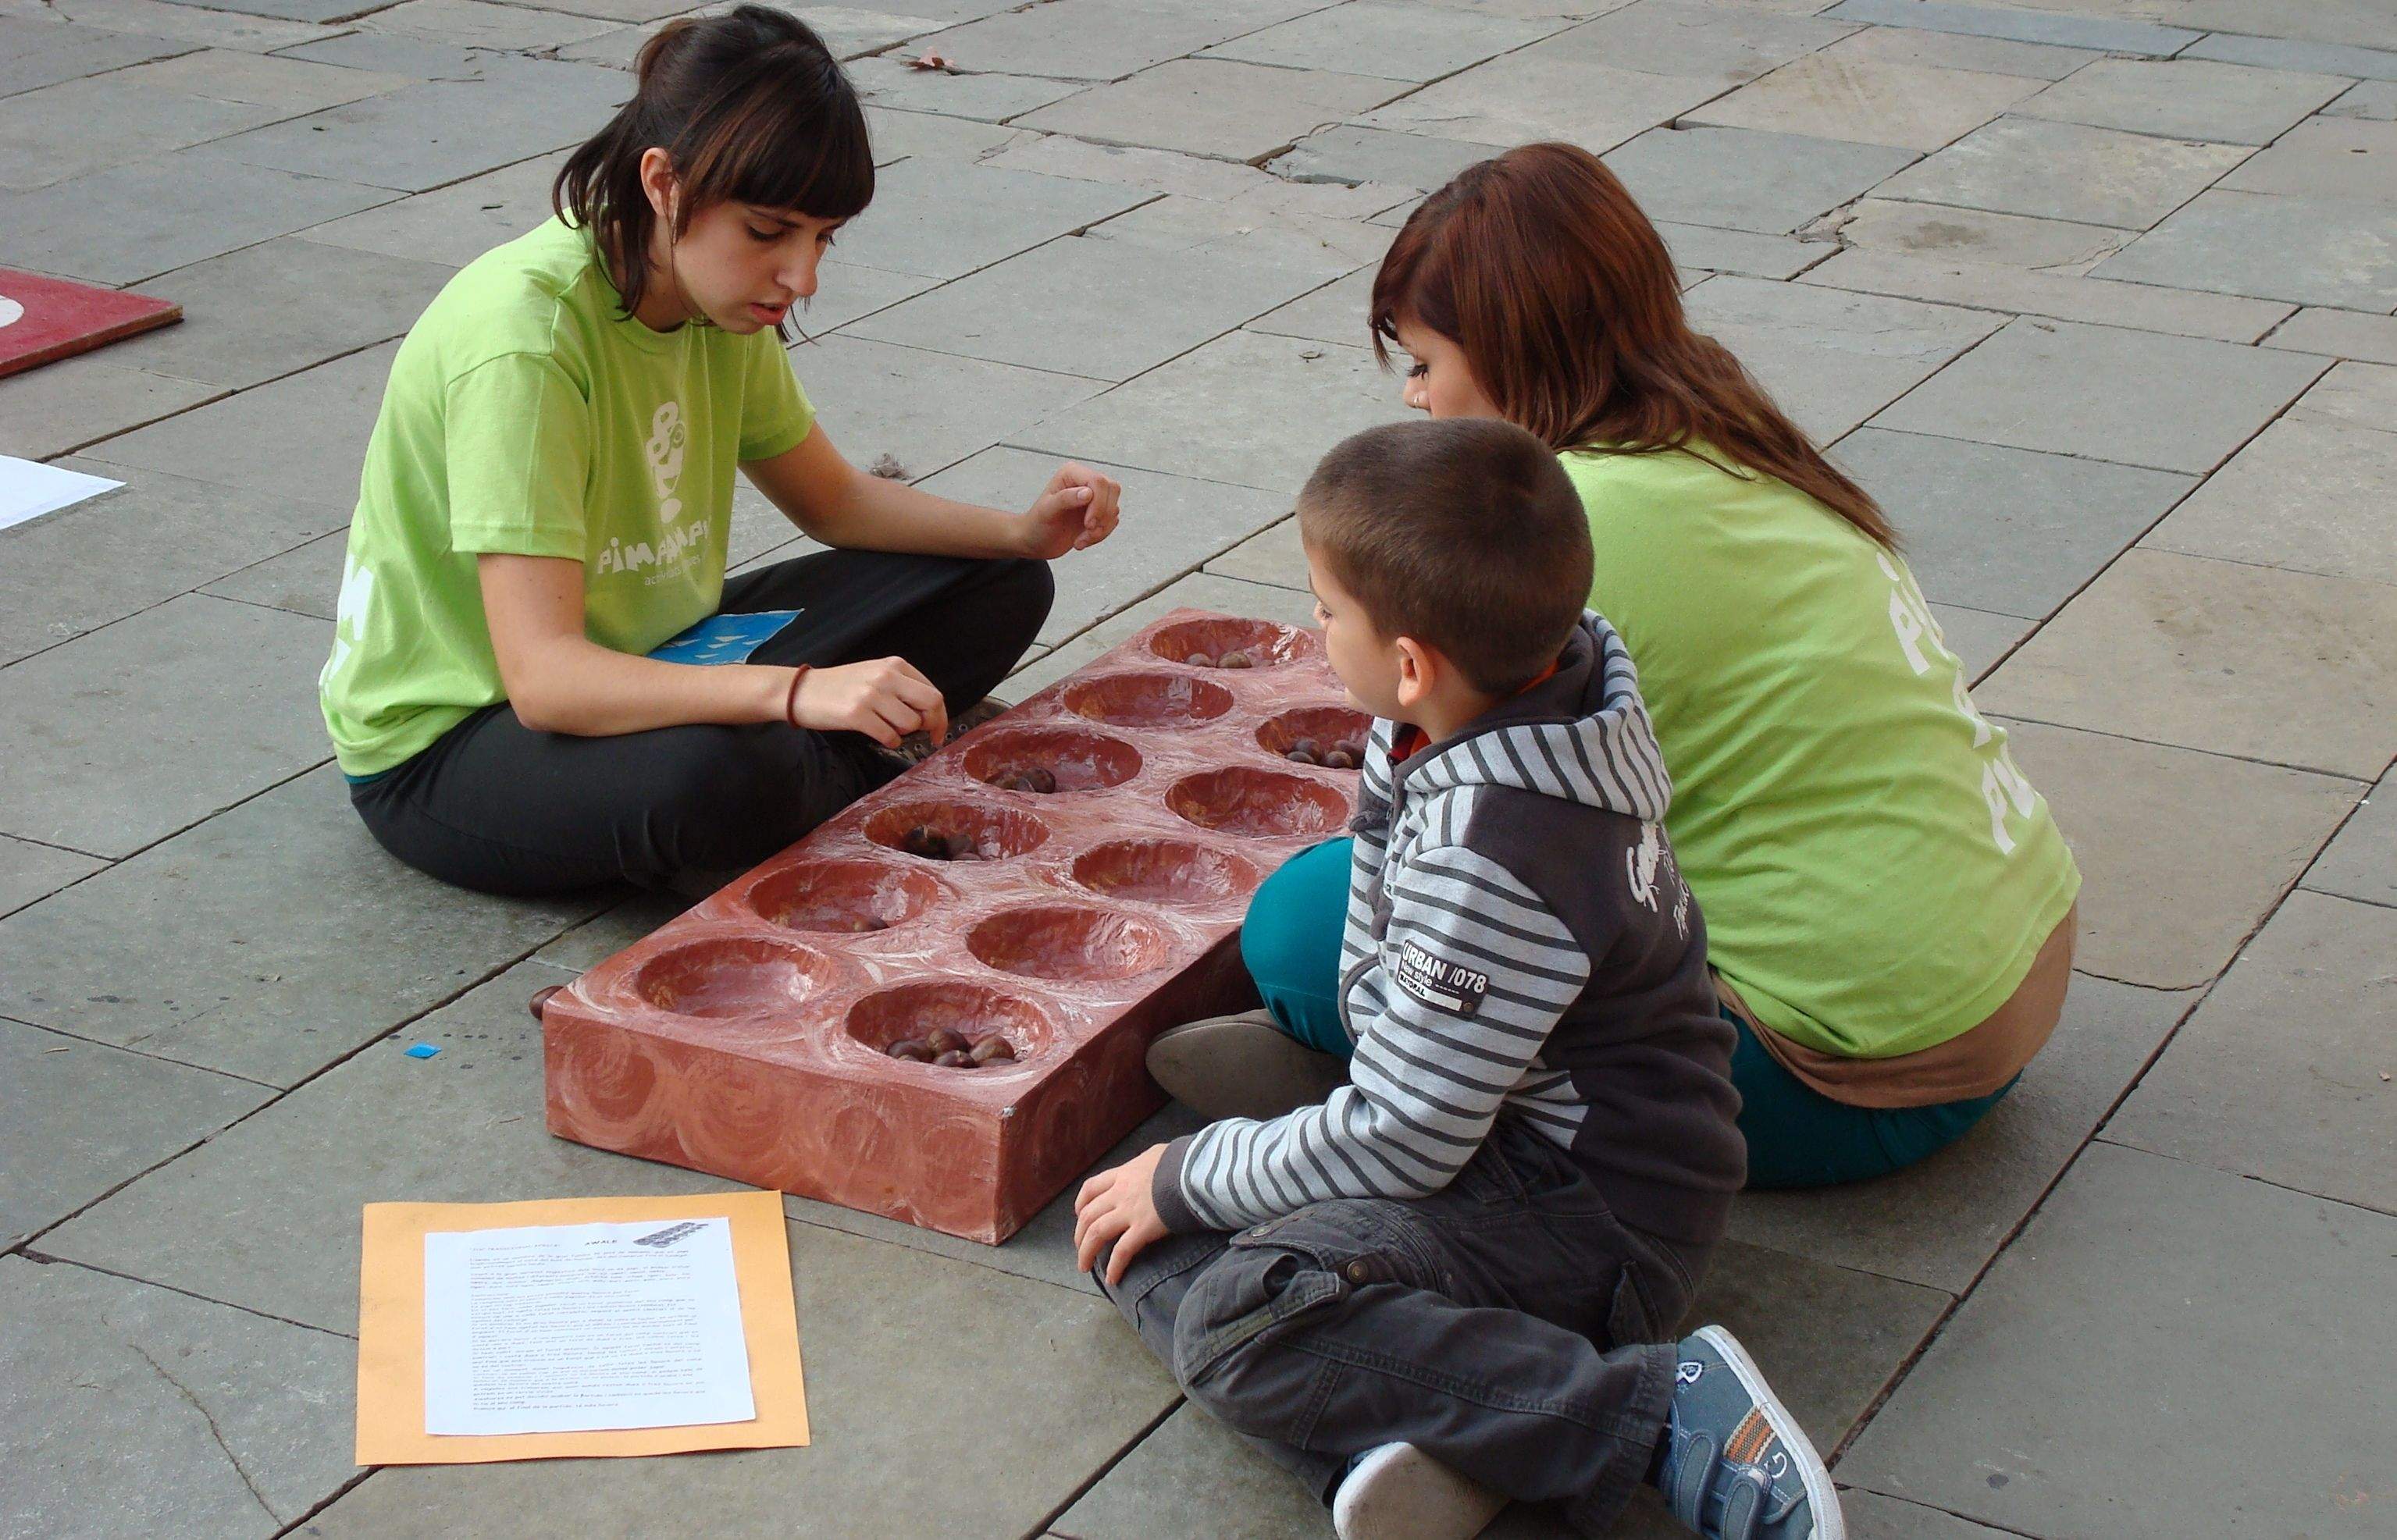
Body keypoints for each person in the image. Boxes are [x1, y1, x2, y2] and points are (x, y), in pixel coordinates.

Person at [1175, 142, 2079, 1189]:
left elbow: (1478, 838)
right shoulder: (1724, 431)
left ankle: (1407, 1112)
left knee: (1303, 926)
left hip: (1841, 1071)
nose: (1415, 398)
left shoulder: (1577, 527)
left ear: (1513, 350)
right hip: (2006, 975)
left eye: (1424, 362)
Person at [1078, 419, 1838, 1540]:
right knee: (1134, 1242)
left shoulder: (1502, 852)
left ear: (1409, 662)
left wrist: (1196, 1172)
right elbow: (1389, 918)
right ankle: (1445, 1438)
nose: (1313, 626)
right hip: (1498, 1140)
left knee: (1232, 1312)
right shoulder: (1527, 685)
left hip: (1595, 1218)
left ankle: (1647, 1413)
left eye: (1326, 609)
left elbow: (1409, 1140)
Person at [319, 7, 1118, 897]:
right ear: (663, 182)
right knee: (733, 772)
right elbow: (544, 679)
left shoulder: (720, 299)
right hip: (463, 740)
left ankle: (833, 767)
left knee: (995, 587)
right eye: (769, 232)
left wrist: (1018, 532)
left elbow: (835, 504)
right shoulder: (526, 342)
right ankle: (842, 777)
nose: (801, 277)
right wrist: (795, 693)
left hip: (660, 656)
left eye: (823, 238)